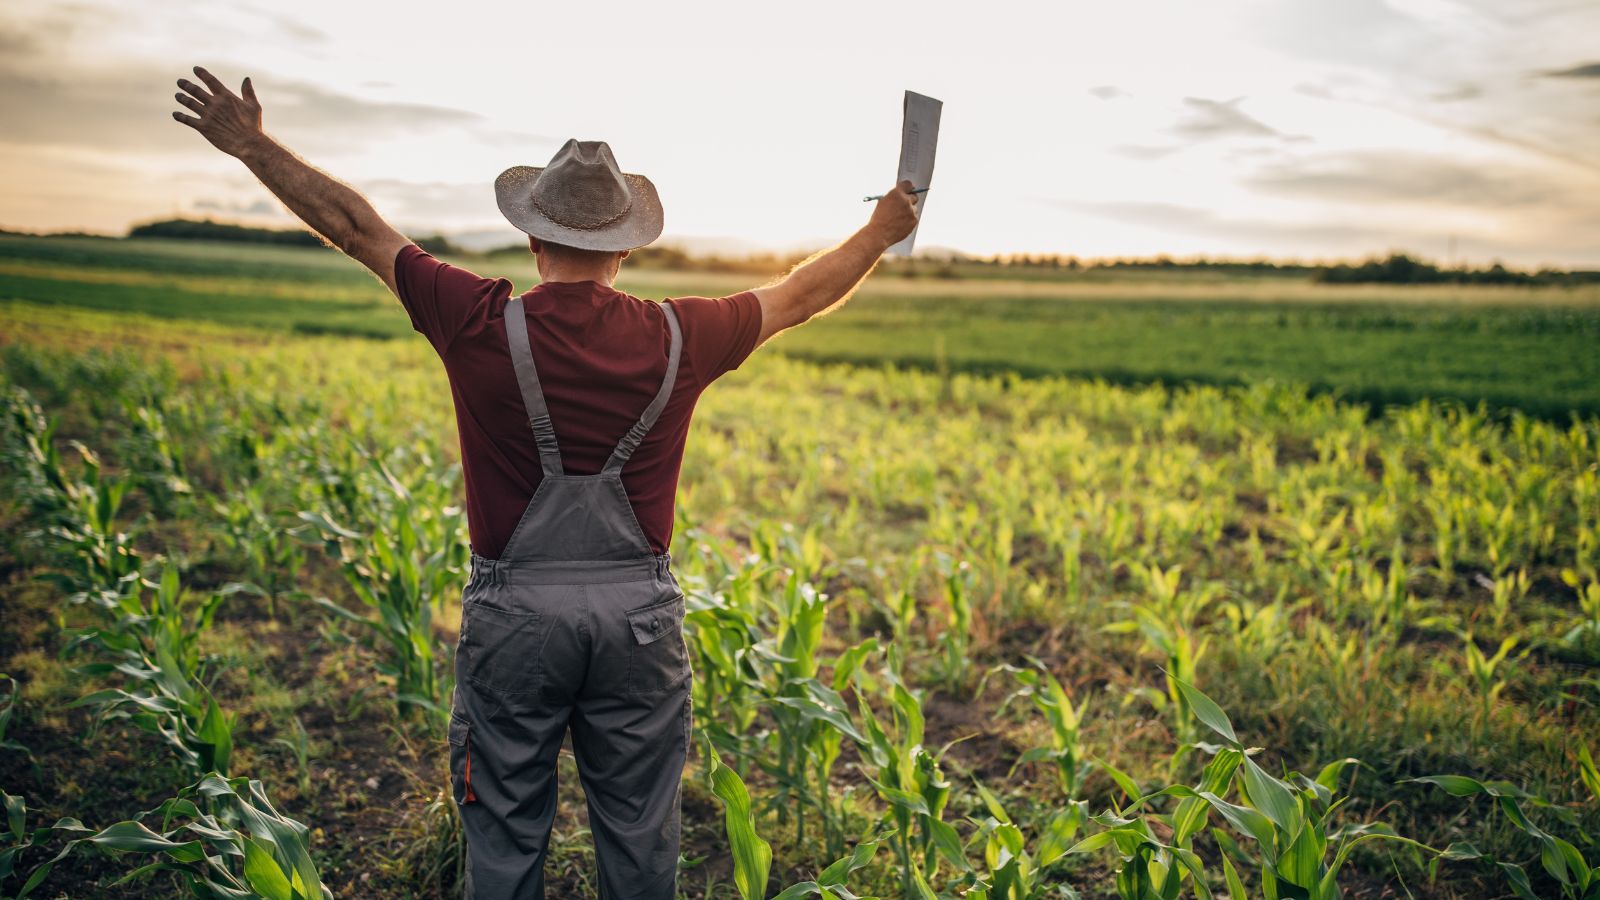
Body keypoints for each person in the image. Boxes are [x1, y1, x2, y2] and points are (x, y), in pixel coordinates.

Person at [171, 65, 921, 899]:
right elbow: (800, 295)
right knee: (640, 843)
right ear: (625, 248)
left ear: (533, 239)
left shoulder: (476, 319)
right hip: (639, 621)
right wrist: (881, 231)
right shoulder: (684, 335)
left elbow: (355, 227)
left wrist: (250, 145)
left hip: (516, 616)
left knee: (502, 837)